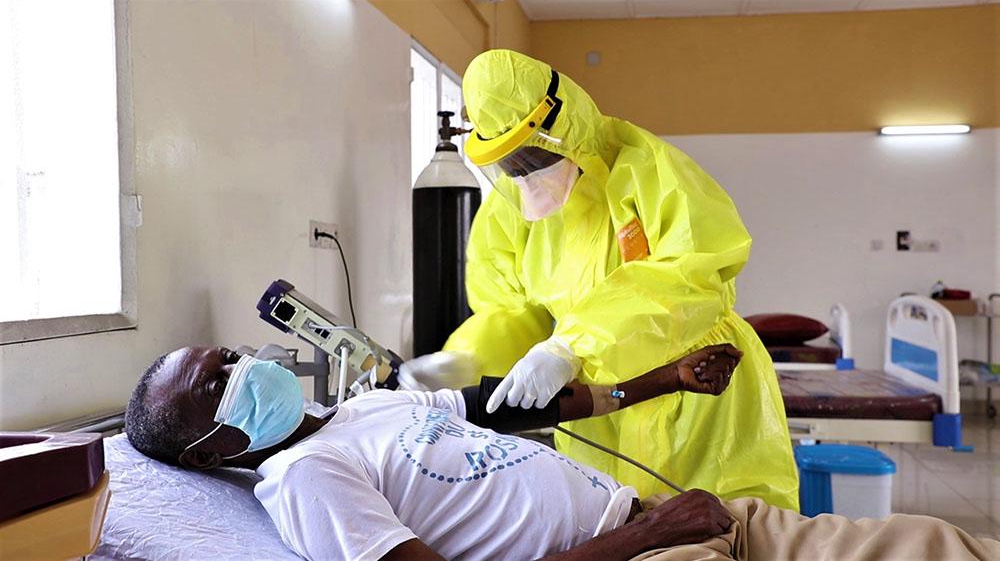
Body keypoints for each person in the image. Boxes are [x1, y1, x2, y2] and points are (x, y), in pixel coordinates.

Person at [125, 346, 1000, 561]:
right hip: (645, 551)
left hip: (676, 524)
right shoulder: (305, 478)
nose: (242, 367)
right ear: (208, 451)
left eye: (223, 356)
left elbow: (521, 403)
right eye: (214, 384)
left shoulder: (365, 408)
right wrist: (640, 540)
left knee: (926, 542)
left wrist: (665, 376)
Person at [404, 49, 798, 507]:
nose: (523, 175)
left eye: (531, 157)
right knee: (616, 529)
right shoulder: (511, 210)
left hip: (697, 392)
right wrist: (467, 362)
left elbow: (690, 275)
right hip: (599, 407)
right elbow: (513, 310)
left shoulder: (646, 170)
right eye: (509, 164)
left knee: (733, 530)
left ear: (559, 127)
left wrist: (571, 345)